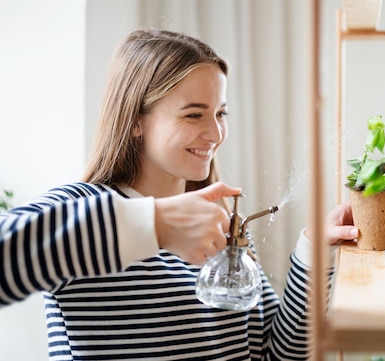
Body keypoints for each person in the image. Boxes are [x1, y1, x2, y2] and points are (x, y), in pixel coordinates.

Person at [0, 29, 359, 360]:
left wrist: (312, 254)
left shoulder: (217, 225)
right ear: (135, 120)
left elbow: (276, 356)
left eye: (221, 113)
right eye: (193, 115)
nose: (216, 133)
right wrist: (154, 225)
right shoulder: (78, 207)